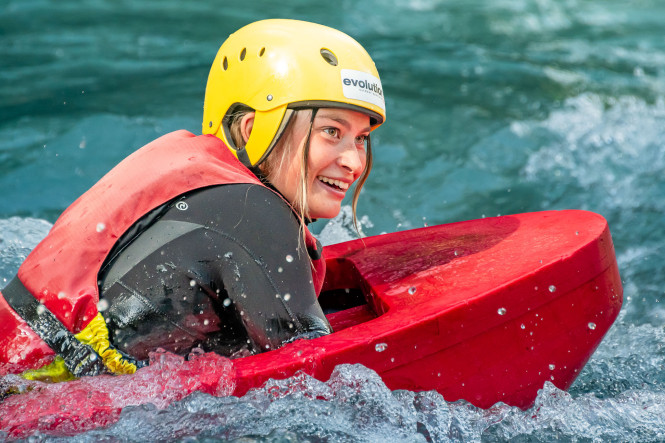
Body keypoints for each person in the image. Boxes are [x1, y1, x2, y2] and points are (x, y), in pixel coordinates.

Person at [0, 19, 386, 380]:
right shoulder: (251, 213)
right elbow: (321, 376)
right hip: (40, 400)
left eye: (362, 138)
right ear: (253, 130)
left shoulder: (206, 189)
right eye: (331, 131)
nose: (353, 161)